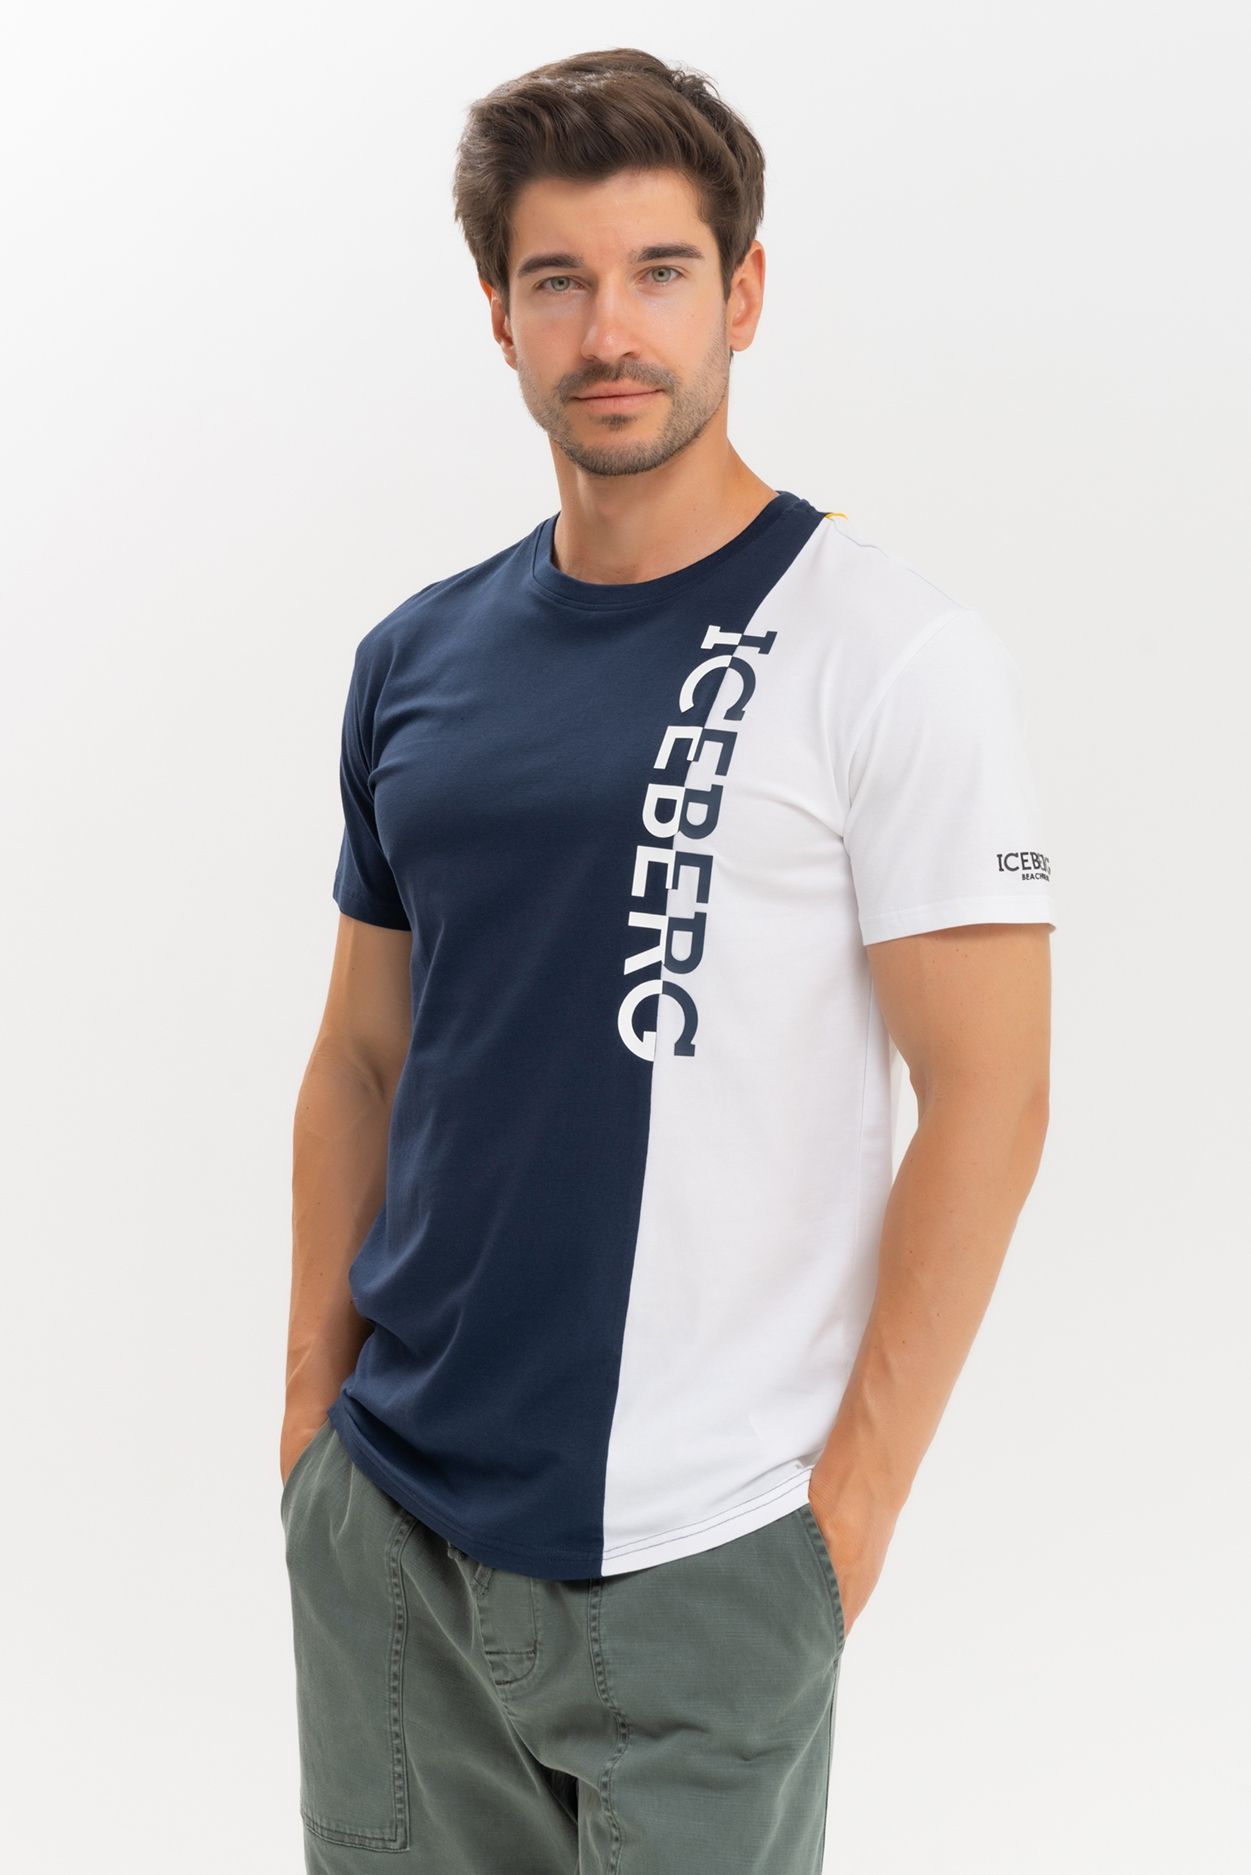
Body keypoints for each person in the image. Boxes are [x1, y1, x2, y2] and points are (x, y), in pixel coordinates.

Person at [278, 44, 1057, 1875]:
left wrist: (840, 1531)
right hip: (391, 1544)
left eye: (660, 272)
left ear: (744, 292)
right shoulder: (415, 658)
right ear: (500, 314)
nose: (610, 331)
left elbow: (993, 1095)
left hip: (711, 1562)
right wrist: (310, 1426)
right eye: (558, 279)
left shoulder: (886, 649)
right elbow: (364, 1055)